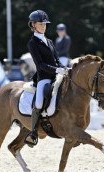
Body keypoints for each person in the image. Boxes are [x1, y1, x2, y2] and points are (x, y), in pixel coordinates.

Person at [25, 10, 67, 146]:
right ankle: (33, 132)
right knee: (38, 103)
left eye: (45, 24)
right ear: (33, 25)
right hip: (43, 77)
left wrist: (63, 68)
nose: (43, 26)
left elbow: (56, 59)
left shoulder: (49, 41)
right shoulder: (32, 43)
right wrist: (56, 69)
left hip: (56, 75)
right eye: (41, 24)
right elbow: (40, 64)